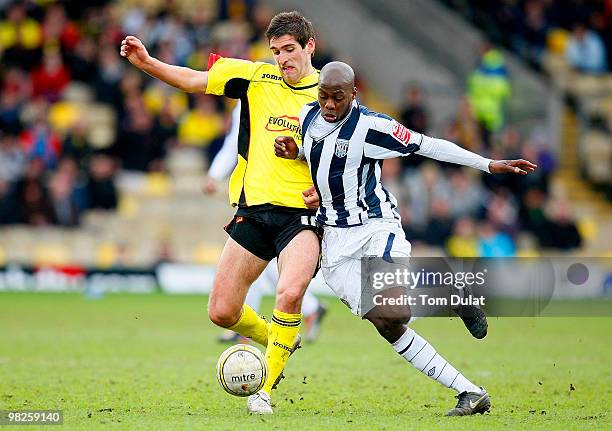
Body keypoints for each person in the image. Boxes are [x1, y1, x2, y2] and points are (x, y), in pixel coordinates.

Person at [275, 61, 537, 416]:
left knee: (396, 309)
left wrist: (487, 164)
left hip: (374, 227)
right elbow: (319, 152)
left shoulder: (372, 127)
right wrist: (297, 152)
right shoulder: (307, 116)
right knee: (387, 322)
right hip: (334, 242)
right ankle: (471, 393)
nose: (330, 105)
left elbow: (429, 146)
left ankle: (453, 294)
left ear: (354, 94)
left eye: (338, 97)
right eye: (324, 96)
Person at [120, 11, 322, 414]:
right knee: (222, 311)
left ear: (309, 47)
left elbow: (350, 156)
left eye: (290, 50)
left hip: (303, 215)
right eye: (276, 51)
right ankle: (279, 339)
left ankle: (265, 391)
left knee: (290, 292)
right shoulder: (255, 77)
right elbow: (194, 79)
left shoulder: (330, 94)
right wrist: (147, 64)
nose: (283, 59)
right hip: (253, 211)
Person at [205, 101, 328, 344]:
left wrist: (214, 174)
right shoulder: (250, 95)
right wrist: (216, 173)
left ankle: (249, 328)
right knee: (256, 263)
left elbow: (232, 143)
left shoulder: (270, 95)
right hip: (254, 192)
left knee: (258, 260)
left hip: (272, 197)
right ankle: (309, 308)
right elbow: (235, 142)